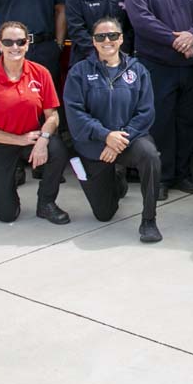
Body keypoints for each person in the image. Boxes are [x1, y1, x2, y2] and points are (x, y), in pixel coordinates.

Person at [62, 17, 163, 243]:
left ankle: (149, 220)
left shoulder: (138, 70)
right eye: (101, 37)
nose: (107, 40)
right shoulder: (79, 72)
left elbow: (146, 112)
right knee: (103, 214)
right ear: (93, 42)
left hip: (129, 139)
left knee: (150, 156)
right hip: (94, 144)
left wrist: (120, 138)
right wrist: (105, 136)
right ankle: (117, 180)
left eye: (113, 36)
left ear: (121, 39)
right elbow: (75, 114)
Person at [125, 0, 193, 199]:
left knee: (187, 121)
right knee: (160, 122)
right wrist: (176, 40)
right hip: (157, 64)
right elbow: (141, 20)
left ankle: (182, 173)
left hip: (189, 65)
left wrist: (192, 35)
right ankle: (161, 177)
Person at [0, 21, 69, 224]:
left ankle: (46, 203)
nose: (14, 47)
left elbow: (53, 116)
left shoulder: (41, 73)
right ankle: (8, 186)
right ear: (0, 45)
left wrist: (43, 140)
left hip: (32, 138)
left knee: (57, 150)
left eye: (20, 42)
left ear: (27, 44)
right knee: (6, 215)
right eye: (8, 42)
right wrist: (18, 140)